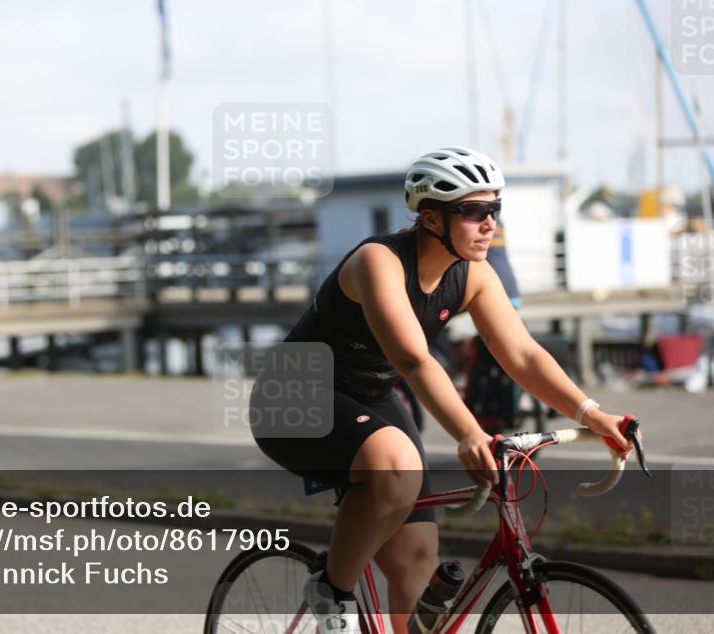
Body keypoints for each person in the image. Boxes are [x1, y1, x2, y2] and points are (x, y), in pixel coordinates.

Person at [248, 146, 635, 634]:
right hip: (296, 396)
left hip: (370, 396)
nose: (489, 223)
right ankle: (331, 590)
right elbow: (413, 359)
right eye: (473, 212)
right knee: (395, 465)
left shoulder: (474, 274)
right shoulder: (378, 261)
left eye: (494, 209)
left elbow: (523, 354)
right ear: (431, 219)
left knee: (416, 559)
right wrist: (471, 434)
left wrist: (591, 413)